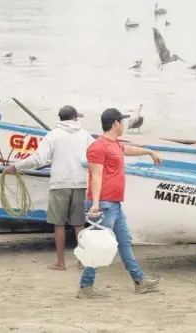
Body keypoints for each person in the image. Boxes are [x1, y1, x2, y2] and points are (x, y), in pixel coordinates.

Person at [78, 108, 162, 299]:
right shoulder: (98, 147)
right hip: (104, 204)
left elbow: (127, 150)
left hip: (114, 203)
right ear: (115, 123)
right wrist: (95, 204)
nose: (124, 125)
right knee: (99, 246)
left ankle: (139, 280)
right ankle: (85, 286)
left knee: (124, 242)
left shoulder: (114, 144)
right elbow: (96, 176)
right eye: (122, 122)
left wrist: (149, 151)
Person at [4, 106, 94, 271]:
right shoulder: (85, 135)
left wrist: (16, 167)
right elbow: (95, 155)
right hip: (81, 183)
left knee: (58, 225)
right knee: (79, 225)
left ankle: (61, 263)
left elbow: (39, 159)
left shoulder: (53, 135)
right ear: (74, 118)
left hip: (59, 184)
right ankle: (82, 261)